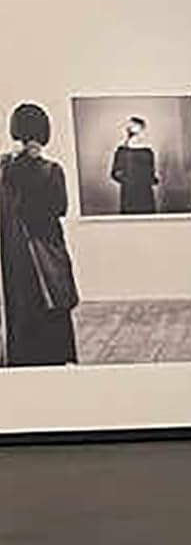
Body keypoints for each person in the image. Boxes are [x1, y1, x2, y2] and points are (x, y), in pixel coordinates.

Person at [0, 103, 79, 368]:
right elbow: (60, 208)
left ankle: (22, 363)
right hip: (46, 248)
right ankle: (56, 361)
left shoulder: (4, 169)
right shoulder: (51, 170)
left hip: (15, 253)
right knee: (53, 306)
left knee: (20, 309)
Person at [109, 115, 159, 215]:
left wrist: (151, 180)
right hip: (130, 193)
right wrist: (129, 179)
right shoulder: (122, 151)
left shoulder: (148, 152)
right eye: (140, 131)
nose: (142, 134)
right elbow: (114, 174)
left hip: (144, 193)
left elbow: (152, 176)